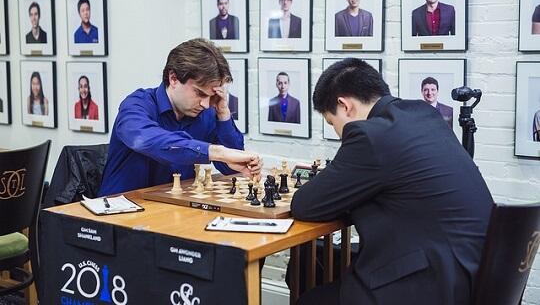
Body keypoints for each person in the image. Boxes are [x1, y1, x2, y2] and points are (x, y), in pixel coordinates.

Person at [291, 58, 493, 305]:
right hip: (478, 275)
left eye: (332, 123)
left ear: (344, 106)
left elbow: (305, 204)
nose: (337, 132)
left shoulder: (370, 135)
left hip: (431, 286)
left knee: (309, 300)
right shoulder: (426, 115)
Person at [99, 38, 262, 196]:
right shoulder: (136, 105)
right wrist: (215, 151)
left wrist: (223, 113)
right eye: (199, 93)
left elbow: (230, 169)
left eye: (211, 96)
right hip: (119, 212)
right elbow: (145, 140)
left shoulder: (206, 112)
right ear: (174, 78)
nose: (205, 104)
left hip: (174, 210)